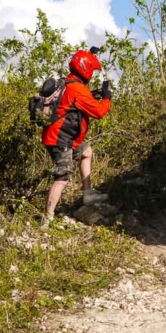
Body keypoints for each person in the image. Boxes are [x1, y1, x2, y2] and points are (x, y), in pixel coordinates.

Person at [41, 48, 112, 226]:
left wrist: (94, 95)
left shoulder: (67, 82)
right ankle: (47, 219)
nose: (92, 75)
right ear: (85, 69)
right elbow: (99, 112)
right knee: (62, 178)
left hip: (61, 137)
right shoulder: (77, 89)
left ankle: (88, 194)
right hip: (61, 139)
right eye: (92, 70)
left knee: (86, 152)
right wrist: (107, 98)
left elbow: (73, 105)